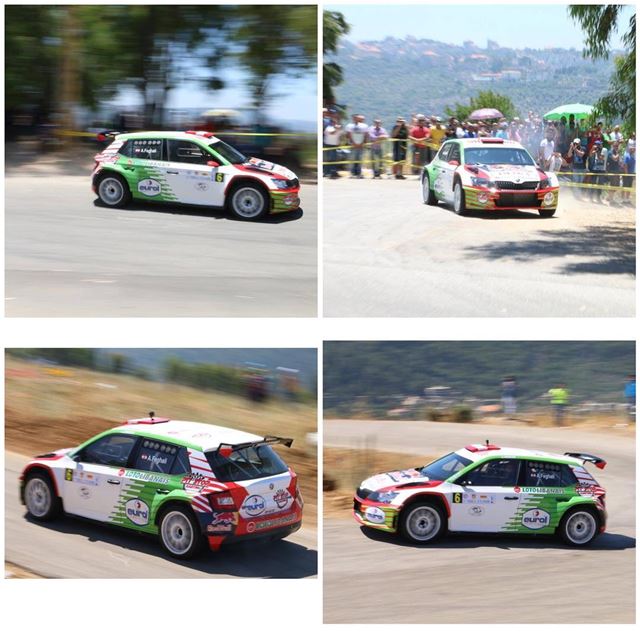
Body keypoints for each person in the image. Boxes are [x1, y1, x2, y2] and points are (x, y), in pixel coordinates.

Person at [345, 114, 368, 178]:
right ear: (353, 118)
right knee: (352, 159)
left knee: (359, 159)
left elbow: (365, 135)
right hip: (353, 145)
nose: (356, 119)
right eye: (355, 118)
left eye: (357, 118)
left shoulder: (364, 126)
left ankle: (359, 173)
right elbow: (348, 135)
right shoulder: (349, 126)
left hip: (361, 145)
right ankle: (352, 173)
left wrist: (363, 143)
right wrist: (353, 143)